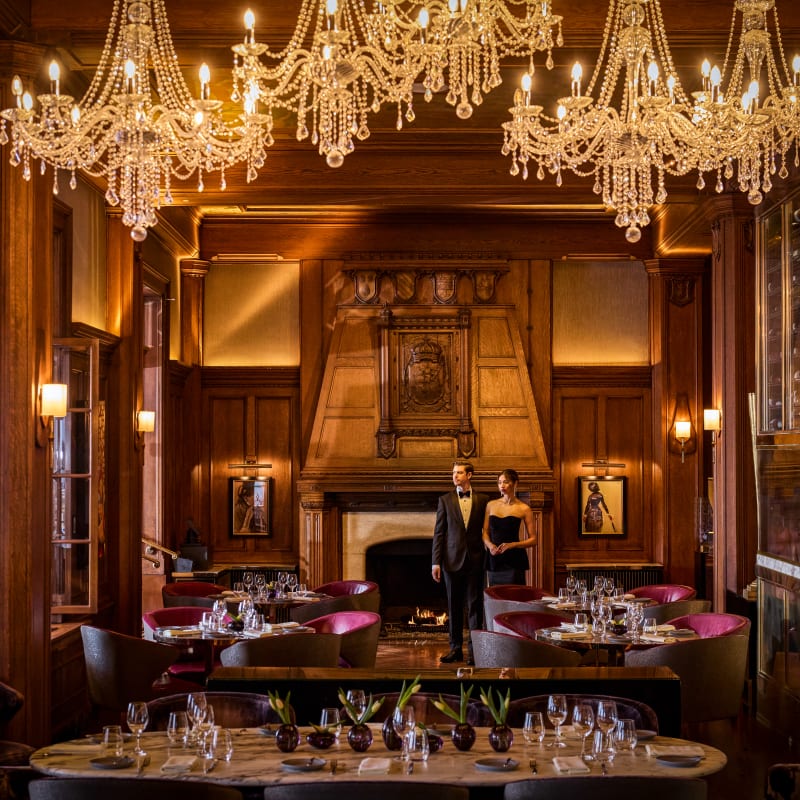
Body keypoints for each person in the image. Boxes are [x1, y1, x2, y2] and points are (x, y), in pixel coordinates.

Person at [431, 460, 488, 666]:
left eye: (459, 472)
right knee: (454, 607)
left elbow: (487, 530)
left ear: (469, 475)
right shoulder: (445, 500)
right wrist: (435, 562)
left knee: (475, 607)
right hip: (451, 561)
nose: (455, 476)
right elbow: (439, 533)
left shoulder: (484, 500)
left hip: (476, 560)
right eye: (453, 472)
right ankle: (455, 649)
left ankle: (475, 652)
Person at [482, 468, 537, 586]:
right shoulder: (491, 505)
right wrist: (490, 546)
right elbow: (485, 532)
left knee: (514, 595)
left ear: (515, 483)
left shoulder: (524, 508)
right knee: (494, 595)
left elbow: (533, 540)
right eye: (499, 482)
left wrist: (512, 545)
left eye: (506, 482)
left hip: (514, 560)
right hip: (494, 559)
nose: (502, 485)